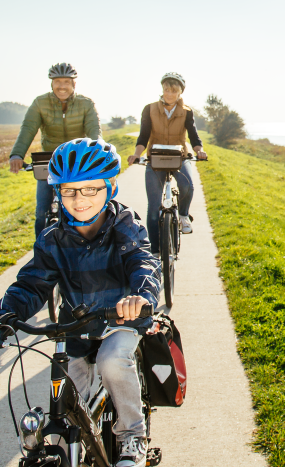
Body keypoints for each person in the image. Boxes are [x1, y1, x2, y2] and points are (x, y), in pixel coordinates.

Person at [0, 138, 161, 467]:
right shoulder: (52, 238)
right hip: (75, 326)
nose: (80, 199)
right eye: (70, 190)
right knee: (70, 404)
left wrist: (141, 296)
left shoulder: (124, 226)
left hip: (120, 318)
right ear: (57, 192)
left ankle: (132, 434)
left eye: (90, 189)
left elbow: (143, 262)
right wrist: (6, 314)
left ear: (110, 187)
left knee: (112, 362)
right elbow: (32, 283)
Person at [9, 63, 102, 237]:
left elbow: (94, 133)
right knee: (42, 212)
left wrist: (97, 154)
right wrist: (17, 154)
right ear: (51, 84)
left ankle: (86, 248)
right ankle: (41, 255)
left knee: (82, 210)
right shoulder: (40, 103)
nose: (61, 86)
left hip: (77, 161)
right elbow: (28, 129)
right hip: (49, 161)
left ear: (74, 84)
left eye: (66, 82)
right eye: (57, 81)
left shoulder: (86, 104)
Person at [127, 72, 206, 253]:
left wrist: (199, 151)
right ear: (162, 90)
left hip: (179, 156)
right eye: (166, 90)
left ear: (180, 93)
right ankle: (155, 250)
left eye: (173, 91)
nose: (169, 94)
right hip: (155, 157)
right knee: (153, 208)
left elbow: (193, 135)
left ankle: (184, 215)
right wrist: (136, 154)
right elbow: (144, 135)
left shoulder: (186, 112)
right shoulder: (150, 109)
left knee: (187, 186)